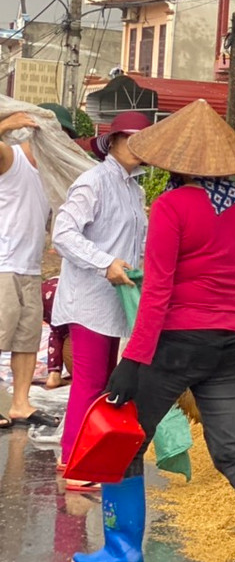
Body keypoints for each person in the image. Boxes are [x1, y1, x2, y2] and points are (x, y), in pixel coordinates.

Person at [72, 99, 235, 562]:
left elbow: (157, 291)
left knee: (127, 443)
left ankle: (121, 549)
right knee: (230, 450)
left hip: (178, 342)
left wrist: (132, 362)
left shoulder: (171, 206)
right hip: (232, 342)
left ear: (175, 160)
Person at [52, 111, 151, 490]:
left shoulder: (135, 189)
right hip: (89, 297)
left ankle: (80, 455)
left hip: (117, 299)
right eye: (132, 139)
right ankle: (74, 461)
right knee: (90, 382)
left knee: (105, 382)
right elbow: (63, 232)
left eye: (145, 140)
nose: (138, 147)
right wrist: (104, 262)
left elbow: (135, 244)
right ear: (112, 142)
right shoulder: (93, 181)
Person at [0, 110, 56, 429]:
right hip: (3, 265)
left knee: (26, 340)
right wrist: (7, 125)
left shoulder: (48, 173)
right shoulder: (11, 157)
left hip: (31, 268)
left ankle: (20, 404)